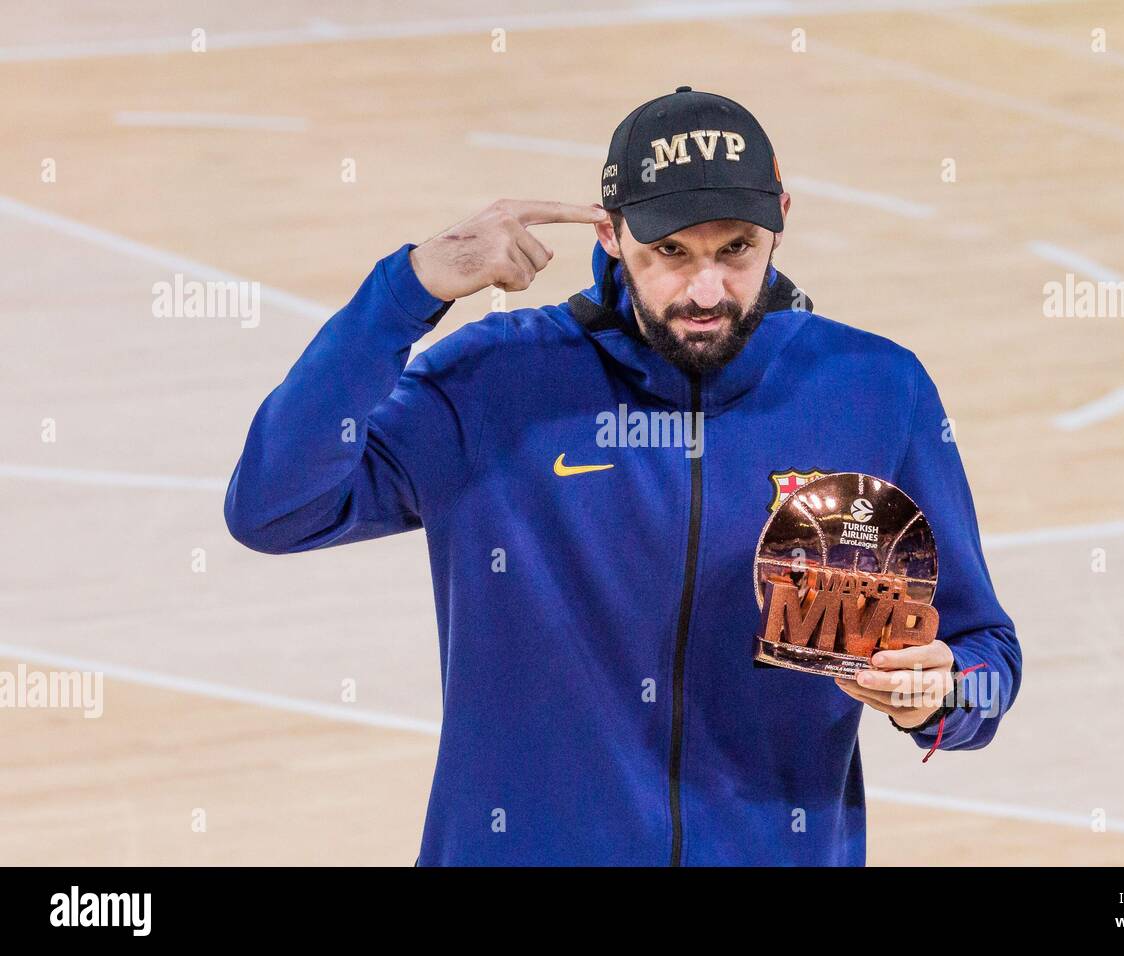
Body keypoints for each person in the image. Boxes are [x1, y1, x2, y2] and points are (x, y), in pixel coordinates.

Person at [224, 86, 1021, 866]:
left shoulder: (875, 388)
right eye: (670, 252)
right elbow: (274, 508)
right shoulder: (494, 382)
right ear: (610, 234)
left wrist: (946, 695)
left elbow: (988, 660)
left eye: (735, 249)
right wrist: (407, 291)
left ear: (782, 223)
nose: (706, 290)